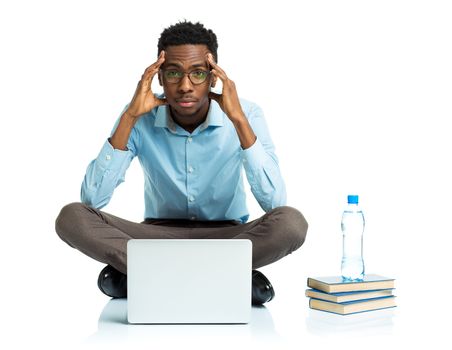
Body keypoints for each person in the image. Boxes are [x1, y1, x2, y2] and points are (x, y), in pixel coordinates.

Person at [55, 20, 308, 305]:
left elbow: (276, 203)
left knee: (292, 223)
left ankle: (144, 275)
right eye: (174, 73)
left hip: (228, 237)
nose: (185, 86)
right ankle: (228, 276)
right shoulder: (138, 115)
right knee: (71, 217)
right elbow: (92, 199)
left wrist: (239, 121)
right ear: (159, 77)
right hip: (155, 237)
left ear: (214, 78)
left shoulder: (246, 113)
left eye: (197, 73)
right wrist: (129, 118)